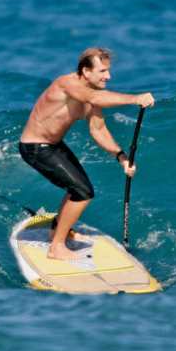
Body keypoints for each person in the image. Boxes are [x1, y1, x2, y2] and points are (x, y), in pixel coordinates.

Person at [19, 47, 154, 261]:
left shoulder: (89, 97)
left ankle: (58, 230)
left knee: (78, 189)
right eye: (102, 71)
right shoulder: (67, 84)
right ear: (86, 71)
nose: (108, 76)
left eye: (108, 70)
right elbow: (96, 97)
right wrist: (134, 98)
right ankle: (56, 248)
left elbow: (98, 130)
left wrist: (121, 157)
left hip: (53, 145)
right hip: (35, 147)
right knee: (83, 192)